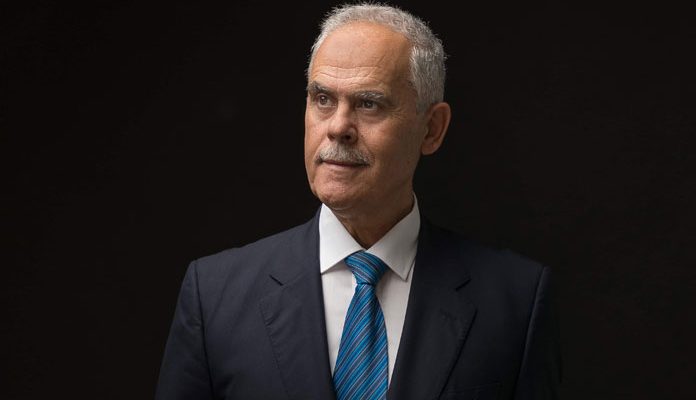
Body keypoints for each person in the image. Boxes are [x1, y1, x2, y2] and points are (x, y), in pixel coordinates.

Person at [155, 3, 561, 400]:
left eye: (369, 103)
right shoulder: (214, 296)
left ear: (432, 129)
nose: (338, 127)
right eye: (323, 99)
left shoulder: (516, 301)